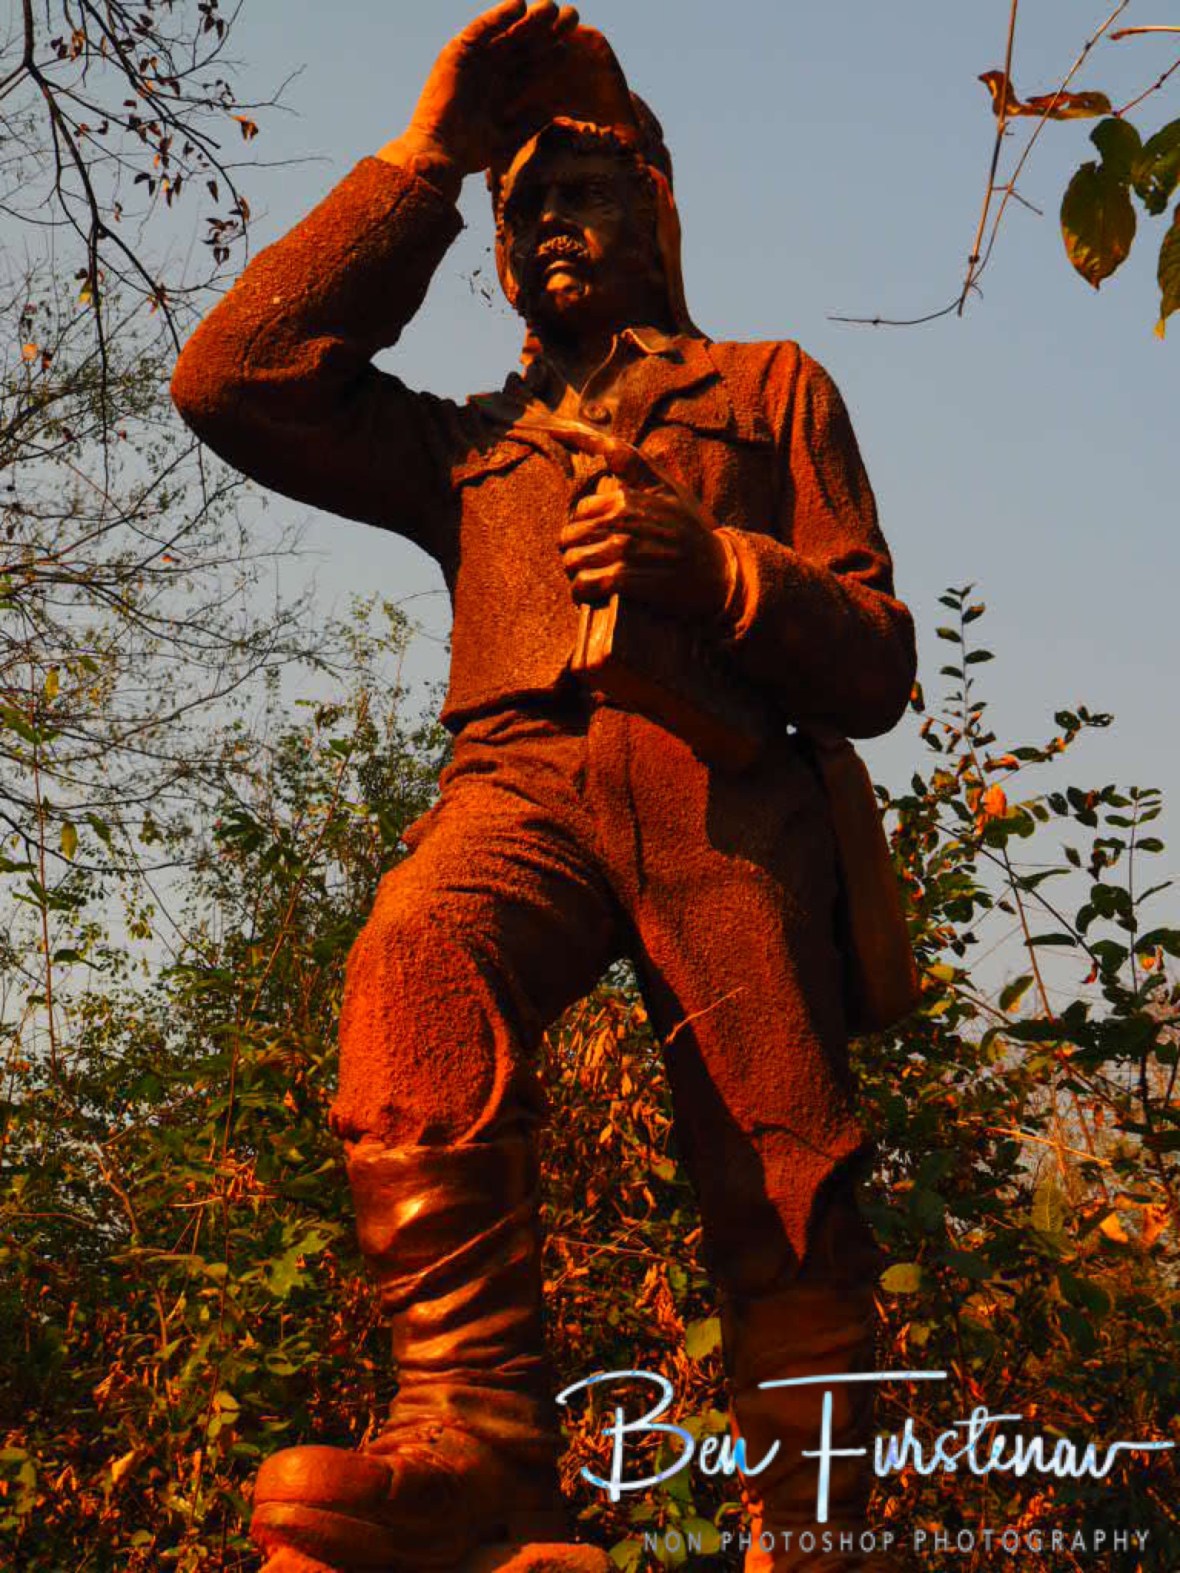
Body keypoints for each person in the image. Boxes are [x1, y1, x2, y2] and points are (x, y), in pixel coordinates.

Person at [170, 5, 917, 1569]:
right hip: (517, 789)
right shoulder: (471, 450)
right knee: (413, 952)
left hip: (723, 798)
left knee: (785, 1171)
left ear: (658, 217)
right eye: (525, 208)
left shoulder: (770, 389)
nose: (553, 224)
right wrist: (431, 152)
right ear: (495, 255)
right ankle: (482, 1443)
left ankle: (822, 1529)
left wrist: (716, 568)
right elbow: (233, 377)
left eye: (587, 193)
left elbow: (877, 660)